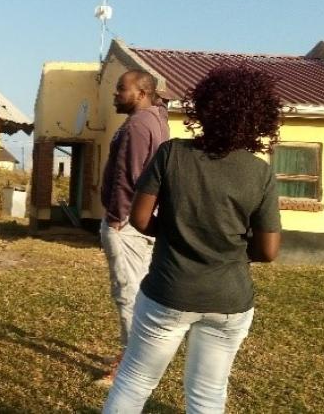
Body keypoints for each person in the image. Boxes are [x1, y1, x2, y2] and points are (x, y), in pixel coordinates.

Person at [103, 65, 283, 413]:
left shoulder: (171, 153)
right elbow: (268, 250)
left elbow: (139, 218)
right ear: (256, 119)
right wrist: (229, 246)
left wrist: (174, 233)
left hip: (168, 292)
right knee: (207, 394)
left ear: (202, 110)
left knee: (135, 381)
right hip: (229, 301)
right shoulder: (261, 173)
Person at [98, 70, 169, 382]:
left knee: (127, 292)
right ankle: (136, 354)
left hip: (126, 223)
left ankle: (130, 363)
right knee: (138, 289)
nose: (115, 94)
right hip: (139, 220)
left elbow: (128, 177)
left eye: (121, 89)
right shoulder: (155, 119)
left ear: (141, 93)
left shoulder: (138, 125)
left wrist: (116, 218)